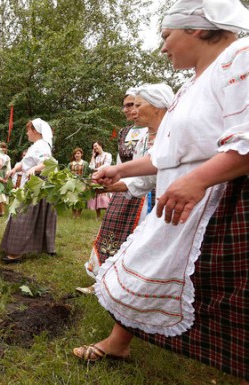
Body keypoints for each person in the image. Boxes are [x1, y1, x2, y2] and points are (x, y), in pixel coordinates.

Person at [73, 2, 249, 383]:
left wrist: (199, 180)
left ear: (198, 30)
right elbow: (167, 155)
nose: (163, 47)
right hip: (182, 199)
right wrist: (120, 169)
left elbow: (245, 140)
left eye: (167, 36)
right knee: (144, 268)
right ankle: (119, 342)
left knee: (230, 297)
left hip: (224, 202)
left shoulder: (241, 59)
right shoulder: (192, 83)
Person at [76, 84, 175, 295]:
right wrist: (111, 184)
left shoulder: (176, 132)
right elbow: (143, 175)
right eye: (131, 105)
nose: (132, 111)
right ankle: (112, 284)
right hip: (137, 192)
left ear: (158, 106)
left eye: (137, 105)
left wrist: (117, 174)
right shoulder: (136, 137)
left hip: (169, 200)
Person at [0, 118, 56, 263]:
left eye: (28, 130)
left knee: (22, 216)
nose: (26, 133)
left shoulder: (42, 145)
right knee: (32, 217)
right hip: (32, 183)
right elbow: (24, 162)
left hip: (37, 184)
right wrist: (13, 169)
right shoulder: (35, 145)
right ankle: (35, 247)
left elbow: (47, 162)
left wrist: (34, 169)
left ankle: (16, 253)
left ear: (35, 131)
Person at [86, 141, 112, 220]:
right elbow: (91, 167)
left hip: (104, 177)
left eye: (96, 146)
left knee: (105, 196)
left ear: (100, 145)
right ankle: (98, 216)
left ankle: (108, 216)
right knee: (96, 195)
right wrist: (93, 156)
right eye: (94, 146)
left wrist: (97, 169)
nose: (95, 148)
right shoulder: (96, 158)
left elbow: (107, 165)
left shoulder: (107, 155)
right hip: (96, 178)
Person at [68, 147, 89, 219]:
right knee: (72, 198)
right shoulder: (70, 164)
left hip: (81, 183)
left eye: (78, 153)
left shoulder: (85, 163)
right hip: (72, 182)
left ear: (81, 154)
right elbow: (68, 174)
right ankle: (74, 214)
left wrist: (86, 183)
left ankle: (79, 214)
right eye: (75, 154)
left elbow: (86, 174)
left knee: (81, 198)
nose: (76, 155)